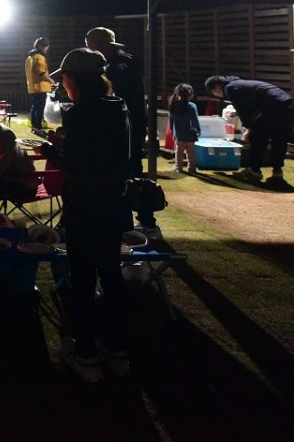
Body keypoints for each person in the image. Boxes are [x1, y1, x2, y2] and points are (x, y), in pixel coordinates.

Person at [52, 47, 132, 382]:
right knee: (111, 276)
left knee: (82, 279)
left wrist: (55, 149)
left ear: (77, 79)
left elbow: (76, 166)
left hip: (85, 206)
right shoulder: (119, 108)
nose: (63, 84)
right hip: (114, 203)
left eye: (65, 77)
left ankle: (85, 354)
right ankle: (115, 349)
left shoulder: (80, 114)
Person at [84, 26, 156, 237]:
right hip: (118, 122)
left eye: (90, 44)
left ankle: (146, 219)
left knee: (132, 169)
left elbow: (116, 82)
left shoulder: (121, 62)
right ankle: (123, 217)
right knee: (118, 170)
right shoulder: (111, 62)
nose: (88, 48)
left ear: (99, 45)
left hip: (130, 123)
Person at [204, 75, 294, 188]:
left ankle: (254, 171)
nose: (216, 95)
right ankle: (277, 173)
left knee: (258, 138)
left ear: (217, 86)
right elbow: (252, 104)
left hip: (274, 108)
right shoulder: (239, 84)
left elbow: (243, 111)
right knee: (279, 140)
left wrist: (248, 129)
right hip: (287, 105)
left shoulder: (230, 88)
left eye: (214, 92)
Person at [168, 83, 201, 174]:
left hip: (179, 133)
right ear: (189, 94)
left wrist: (171, 129)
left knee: (179, 150)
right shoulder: (191, 106)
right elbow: (194, 120)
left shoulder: (173, 105)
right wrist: (198, 129)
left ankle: (178, 166)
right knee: (191, 151)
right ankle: (192, 167)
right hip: (190, 132)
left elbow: (171, 119)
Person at [25, 37, 55, 132]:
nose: (46, 49)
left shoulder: (30, 57)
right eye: (46, 47)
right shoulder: (39, 57)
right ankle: (38, 127)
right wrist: (51, 81)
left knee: (35, 107)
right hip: (40, 87)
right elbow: (41, 73)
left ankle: (34, 127)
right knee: (39, 108)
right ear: (42, 46)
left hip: (32, 87)